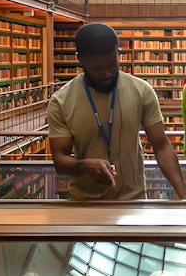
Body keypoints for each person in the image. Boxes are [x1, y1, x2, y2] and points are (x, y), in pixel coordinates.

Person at [48, 22, 186, 201]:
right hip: (83, 204)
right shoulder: (61, 101)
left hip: (134, 203)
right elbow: (60, 160)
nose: (106, 74)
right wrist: (85, 166)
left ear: (118, 53)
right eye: (97, 69)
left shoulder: (141, 91)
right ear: (80, 59)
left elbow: (161, 146)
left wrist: (183, 195)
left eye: (112, 65)